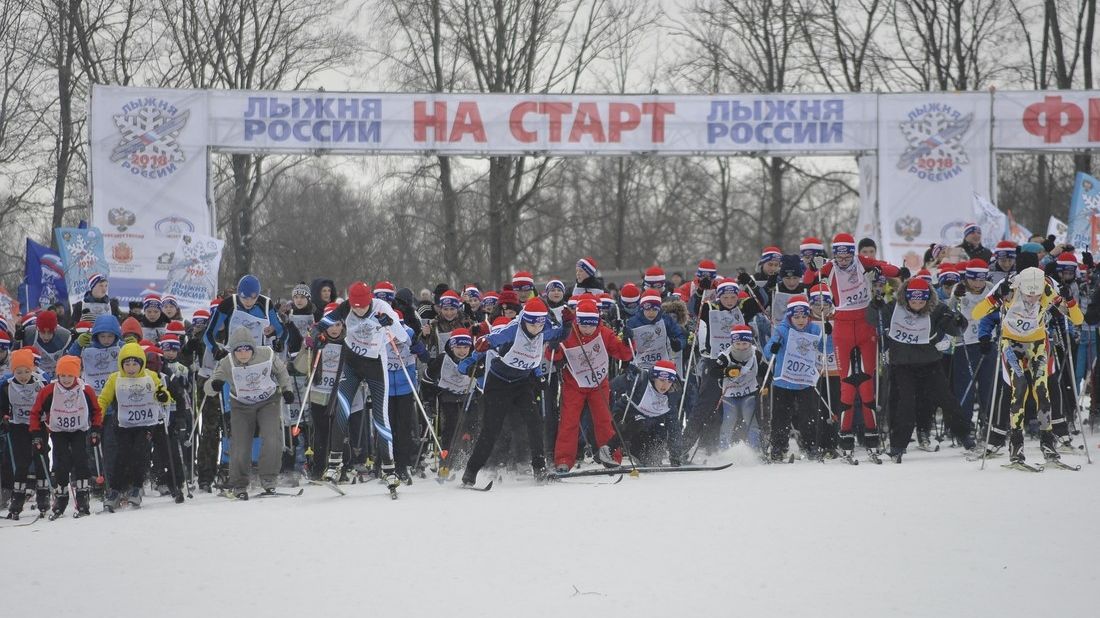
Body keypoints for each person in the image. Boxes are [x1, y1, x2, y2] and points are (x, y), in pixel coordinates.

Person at [803, 233, 905, 458]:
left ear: (851, 252)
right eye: (839, 255)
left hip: (866, 325)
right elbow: (808, 281)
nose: (843, 259)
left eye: (847, 254)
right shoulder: (828, 267)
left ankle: (871, 433)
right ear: (834, 253)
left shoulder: (861, 261)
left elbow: (883, 267)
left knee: (867, 383)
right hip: (843, 328)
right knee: (847, 383)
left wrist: (898, 272)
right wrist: (812, 266)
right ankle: (845, 434)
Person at [971, 266, 1084, 466]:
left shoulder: (1048, 288)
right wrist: (994, 298)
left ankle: (1048, 446)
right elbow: (977, 313)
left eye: (1036, 296)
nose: (1032, 300)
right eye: (1028, 295)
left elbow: (1077, 319)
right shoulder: (1008, 288)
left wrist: (1070, 300)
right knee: (1019, 387)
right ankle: (1016, 447)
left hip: (1038, 344)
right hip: (1011, 344)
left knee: (1042, 390)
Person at [458, 298, 570, 486]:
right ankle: (470, 472)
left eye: (540, 323)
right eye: (532, 323)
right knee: (491, 430)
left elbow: (560, 335)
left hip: (521, 383)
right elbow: (496, 337)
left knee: (534, 423)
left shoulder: (544, 330)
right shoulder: (513, 329)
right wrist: (484, 342)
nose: (536, 328)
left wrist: (567, 323)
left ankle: (539, 469)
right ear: (525, 319)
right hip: (498, 385)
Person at [869, 278, 974, 462]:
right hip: (902, 365)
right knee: (905, 404)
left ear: (928, 299)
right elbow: (873, 318)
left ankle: (965, 436)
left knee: (947, 400)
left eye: (921, 301)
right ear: (906, 298)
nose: (917, 305)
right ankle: (898, 445)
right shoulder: (895, 308)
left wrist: (958, 320)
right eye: (913, 301)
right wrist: (874, 305)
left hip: (929, 363)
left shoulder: (937, 308)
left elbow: (955, 328)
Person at [323, 282, 408, 493]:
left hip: (375, 366)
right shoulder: (347, 306)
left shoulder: (381, 307)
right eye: (355, 306)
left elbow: (403, 336)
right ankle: (334, 466)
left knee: (380, 417)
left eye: (362, 306)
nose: (359, 310)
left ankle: (389, 470)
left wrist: (389, 323)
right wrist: (316, 334)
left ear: (370, 300)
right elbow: (326, 321)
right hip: (351, 363)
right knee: (341, 409)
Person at [207, 327, 294, 499]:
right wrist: (214, 385)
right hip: (241, 405)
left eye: (247, 348)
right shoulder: (227, 362)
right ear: (233, 351)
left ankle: (269, 480)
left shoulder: (267, 355)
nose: (243, 353)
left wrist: (287, 389)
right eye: (238, 350)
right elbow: (210, 384)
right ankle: (239, 483)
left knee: (272, 438)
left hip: (268, 401)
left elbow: (281, 371)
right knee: (240, 444)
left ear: (253, 348)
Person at [551, 299, 633, 472]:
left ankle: (610, 455)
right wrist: (554, 349)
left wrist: (627, 341)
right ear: (577, 321)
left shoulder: (604, 333)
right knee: (569, 421)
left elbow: (623, 354)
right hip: (574, 384)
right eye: (583, 325)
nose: (587, 329)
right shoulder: (569, 333)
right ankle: (564, 459)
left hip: (598, 384)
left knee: (604, 420)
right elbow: (553, 355)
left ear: (597, 322)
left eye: (591, 325)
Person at [96, 342, 175, 510]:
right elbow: (103, 399)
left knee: (140, 453)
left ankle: (137, 488)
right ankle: (116, 489)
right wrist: (97, 417)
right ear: (121, 364)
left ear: (141, 364)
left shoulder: (151, 376)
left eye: (134, 364)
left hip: (145, 424)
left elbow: (165, 396)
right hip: (123, 424)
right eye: (127, 364)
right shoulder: (115, 378)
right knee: (122, 455)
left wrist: (162, 395)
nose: (131, 368)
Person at [29, 355, 103, 518]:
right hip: (58, 431)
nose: (66, 379)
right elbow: (35, 412)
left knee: (81, 459)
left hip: (79, 430)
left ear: (77, 375)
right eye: (63, 375)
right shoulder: (49, 390)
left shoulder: (85, 390)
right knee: (62, 463)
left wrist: (96, 428)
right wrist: (36, 433)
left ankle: (83, 495)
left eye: (70, 375)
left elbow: (97, 411)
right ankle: (61, 496)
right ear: (58, 375)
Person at [763, 295, 826, 462]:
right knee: (780, 417)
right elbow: (767, 352)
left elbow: (827, 348)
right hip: (784, 381)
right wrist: (774, 347)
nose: (801, 320)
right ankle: (778, 447)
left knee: (808, 416)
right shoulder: (782, 329)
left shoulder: (814, 329)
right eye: (796, 317)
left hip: (805, 381)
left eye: (804, 316)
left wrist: (828, 335)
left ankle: (810, 445)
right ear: (789, 317)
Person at [1, 349, 47, 519]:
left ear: (32, 370)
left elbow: (47, 402)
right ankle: (17, 497)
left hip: (38, 426)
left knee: (40, 458)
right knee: (21, 462)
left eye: (26, 371)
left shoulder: (40, 384)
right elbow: (3, 405)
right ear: (13, 372)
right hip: (18, 426)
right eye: (19, 372)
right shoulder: (7, 386)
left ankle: (43, 493)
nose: (23, 375)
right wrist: (4, 416)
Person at [613, 360, 682, 466]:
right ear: (654, 377)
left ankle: (643, 457)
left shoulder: (671, 395)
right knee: (639, 421)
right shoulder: (641, 380)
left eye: (669, 382)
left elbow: (674, 426)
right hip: (625, 419)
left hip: (648, 429)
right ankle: (613, 448)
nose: (665, 385)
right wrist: (627, 376)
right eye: (662, 380)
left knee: (653, 457)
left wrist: (675, 455)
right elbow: (610, 386)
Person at [205, 274, 286, 353]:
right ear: (239, 294)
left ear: (258, 295)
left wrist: (280, 342)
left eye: (253, 298)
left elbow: (282, 330)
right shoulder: (227, 304)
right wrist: (215, 350)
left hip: (259, 356)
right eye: (244, 298)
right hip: (233, 355)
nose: (249, 302)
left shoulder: (266, 304)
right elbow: (209, 333)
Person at [714, 324, 763, 451]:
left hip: (749, 393)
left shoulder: (755, 353)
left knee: (751, 421)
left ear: (749, 342)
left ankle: (756, 450)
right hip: (730, 395)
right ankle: (723, 450)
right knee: (729, 421)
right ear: (733, 343)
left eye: (745, 344)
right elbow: (712, 372)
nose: (741, 347)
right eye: (738, 344)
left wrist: (765, 385)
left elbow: (765, 371)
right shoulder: (725, 356)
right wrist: (726, 371)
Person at [22, 309, 71, 376]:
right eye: (42, 332)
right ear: (37, 329)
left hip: (58, 376)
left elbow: (70, 360)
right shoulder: (29, 333)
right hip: (35, 376)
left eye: (50, 332)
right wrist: (18, 341)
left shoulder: (65, 336)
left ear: (55, 329)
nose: (46, 337)